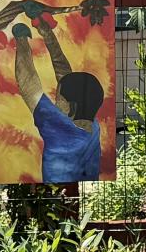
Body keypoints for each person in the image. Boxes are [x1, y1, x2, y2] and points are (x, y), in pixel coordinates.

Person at [8, 21, 105, 185]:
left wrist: (21, 38)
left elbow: (27, 83)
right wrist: (48, 35)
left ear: (72, 107)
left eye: (59, 98)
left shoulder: (62, 132)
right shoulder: (92, 125)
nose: (55, 100)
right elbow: (66, 76)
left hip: (56, 192)